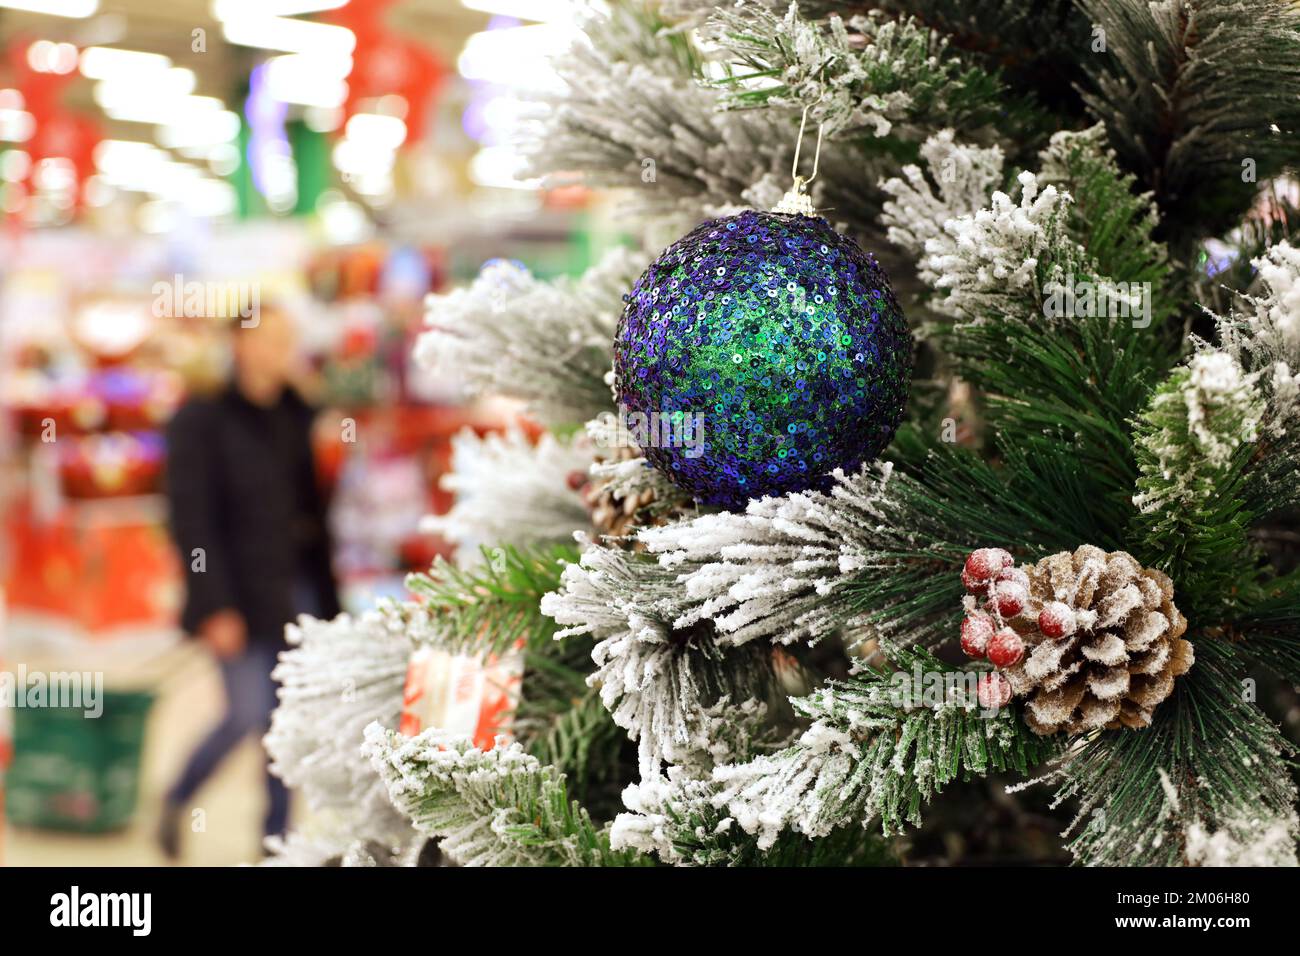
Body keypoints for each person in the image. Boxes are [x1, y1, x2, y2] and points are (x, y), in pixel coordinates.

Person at [158, 306, 340, 859]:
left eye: (288, 340)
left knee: (285, 726)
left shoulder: (295, 413)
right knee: (246, 714)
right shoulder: (200, 419)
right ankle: (178, 796)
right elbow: (189, 523)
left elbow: (313, 509)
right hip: (234, 593)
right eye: (269, 340)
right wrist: (212, 603)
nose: (280, 352)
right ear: (238, 344)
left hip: (296, 589)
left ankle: (275, 841)